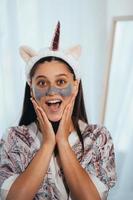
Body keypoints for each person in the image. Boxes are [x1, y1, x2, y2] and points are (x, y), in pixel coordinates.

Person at [0, 22, 116, 200]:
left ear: (75, 86)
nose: (52, 91)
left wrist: (62, 141)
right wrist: (47, 144)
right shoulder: (14, 138)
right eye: (41, 82)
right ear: (31, 89)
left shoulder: (98, 137)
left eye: (61, 81)